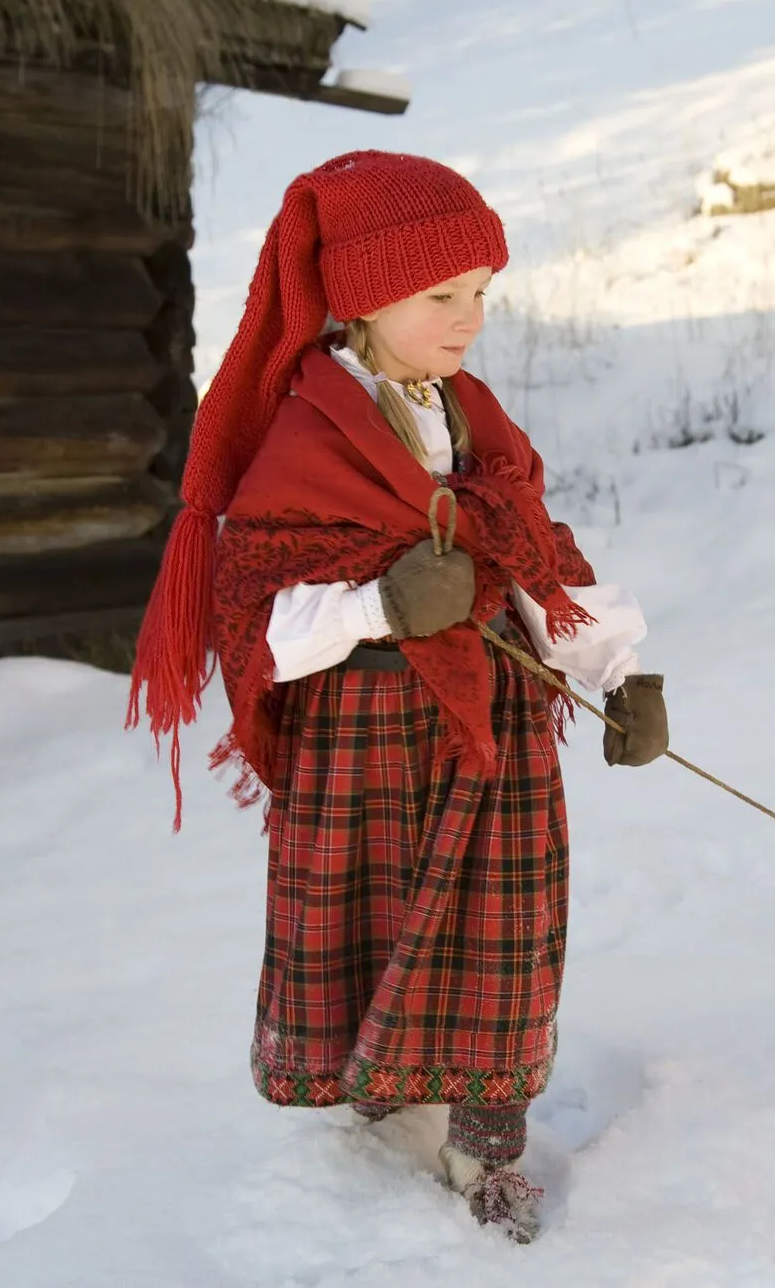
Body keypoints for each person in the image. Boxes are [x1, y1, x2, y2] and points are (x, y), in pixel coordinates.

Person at [128, 150, 669, 1243]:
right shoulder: (307, 434)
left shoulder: (472, 419)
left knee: (503, 938)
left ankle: (487, 1141)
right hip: (364, 732)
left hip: (490, 731)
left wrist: (614, 671)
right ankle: (382, 1094)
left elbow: (533, 561)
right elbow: (260, 621)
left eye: (479, 292)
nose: (470, 317)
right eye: (442, 295)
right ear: (363, 297)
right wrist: (381, 604)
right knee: (373, 922)